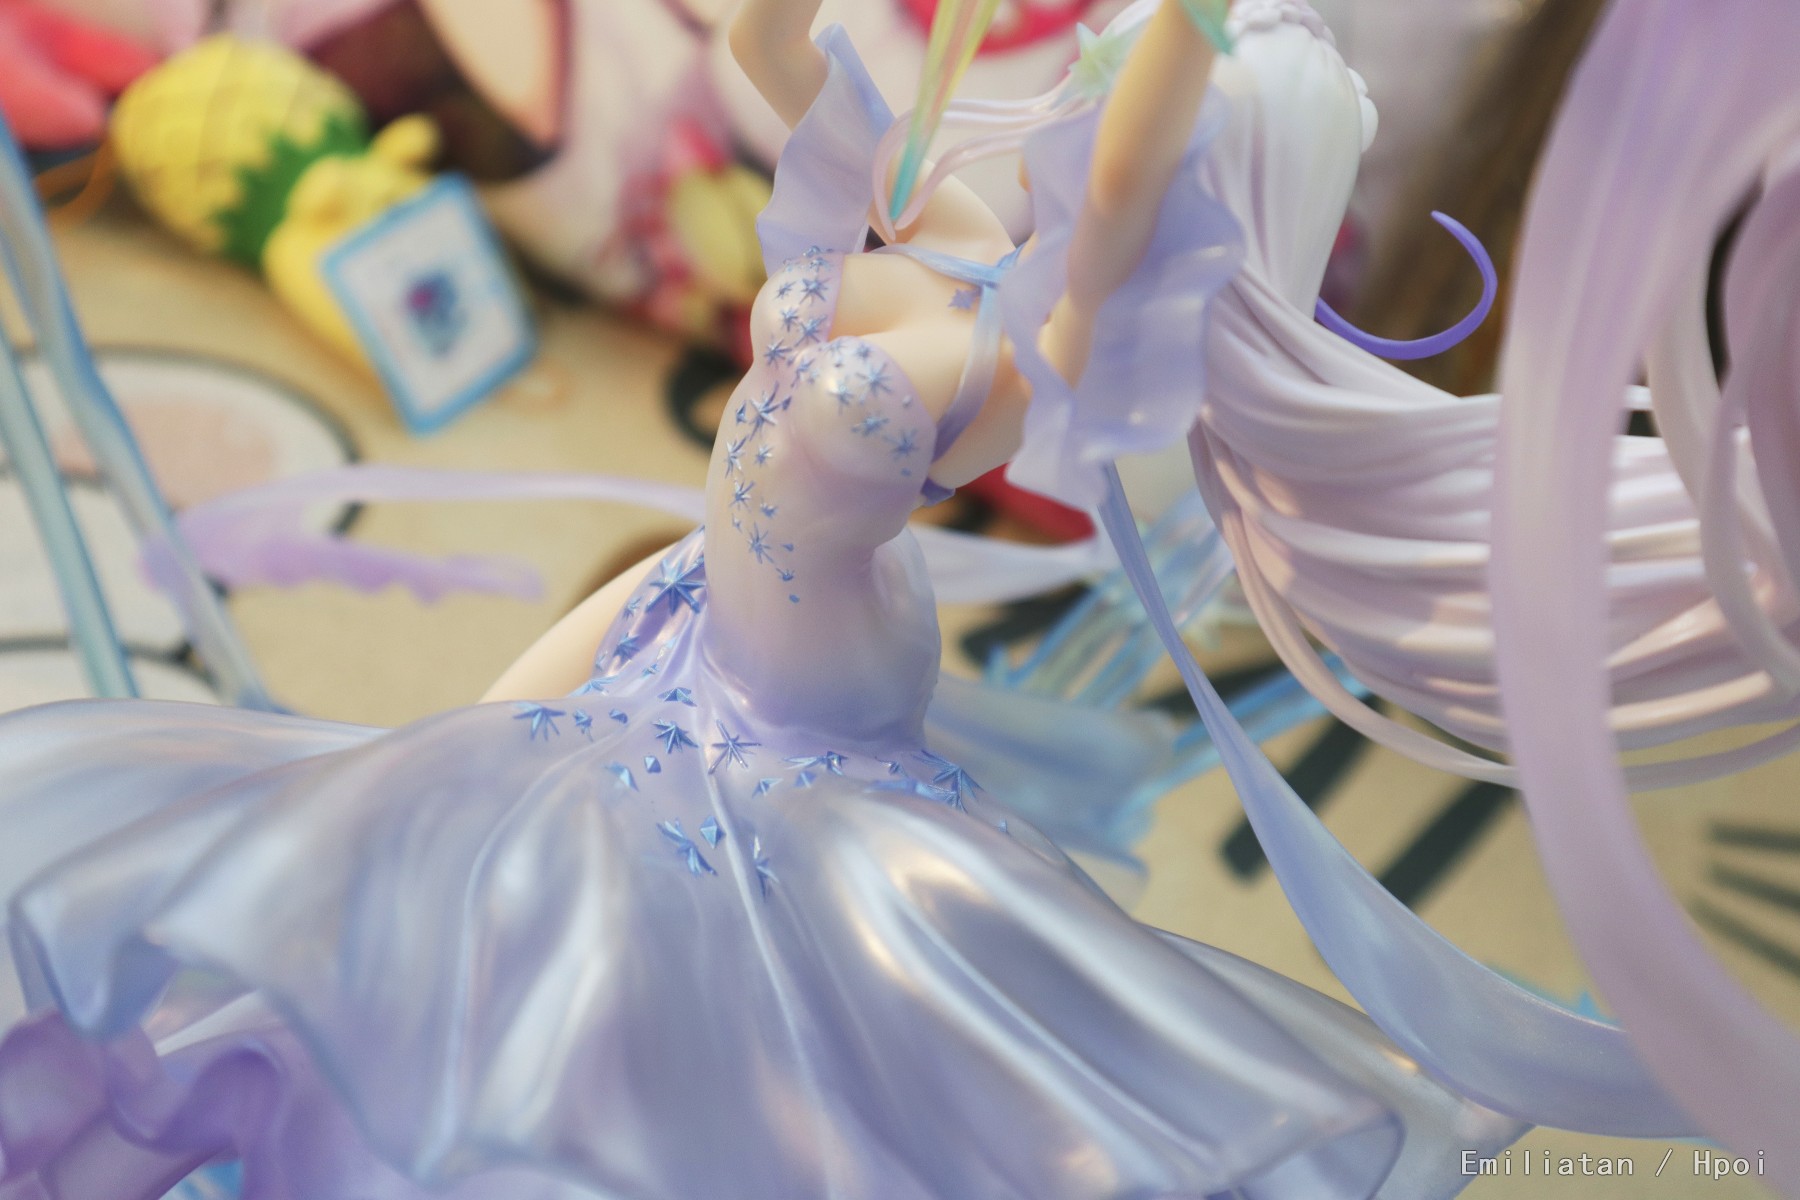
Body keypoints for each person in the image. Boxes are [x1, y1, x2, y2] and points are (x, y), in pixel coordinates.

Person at [0, 2, 1548, 1196]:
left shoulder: (1035, 351)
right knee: (413, 851)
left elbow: (1131, 178)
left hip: (801, 704)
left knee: (728, 1030)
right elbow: (766, 45)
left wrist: (1196, 41)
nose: (1079, 98)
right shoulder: (942, 226)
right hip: (683, 608)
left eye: (1115, 90)